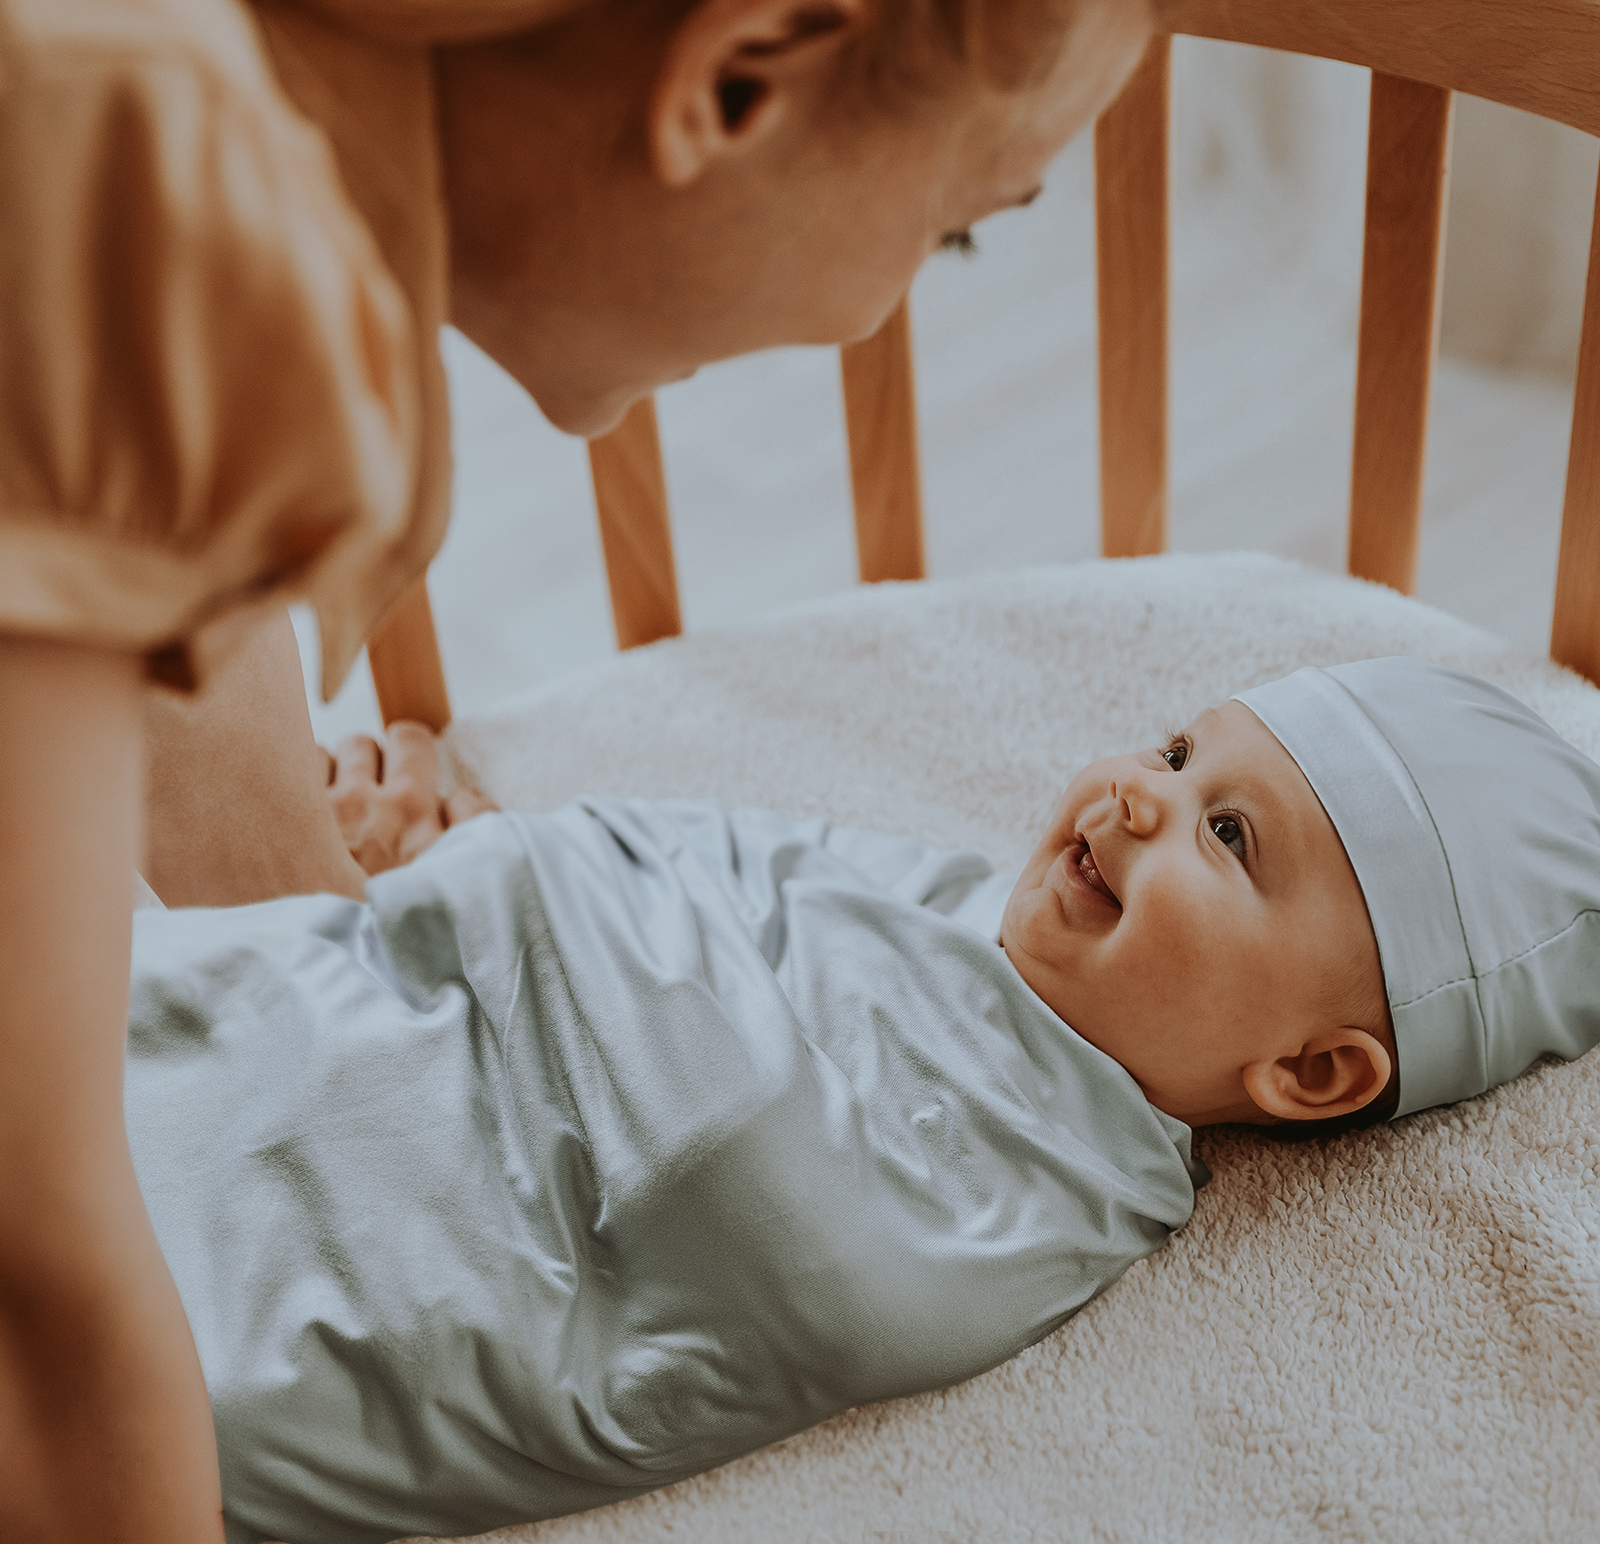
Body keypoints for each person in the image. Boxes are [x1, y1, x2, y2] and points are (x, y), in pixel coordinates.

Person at [0, 0, 1185, 1536]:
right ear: (738, 74)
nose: (888, 305)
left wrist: (332, 960)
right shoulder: (116, 163)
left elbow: (151, 607)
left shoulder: (182, 92)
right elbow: (44, 1295)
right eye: (956, 227)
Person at [124, 656, 1600, 1543]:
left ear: (1312, 1073)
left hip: (211, 1331)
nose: (1138, 795)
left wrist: (524, 882)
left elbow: (749, 1194)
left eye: (1226, 835)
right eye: (1172, 748)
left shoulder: (1057, 1201)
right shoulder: (945, 899)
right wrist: (477, 863)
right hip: (294, 1047)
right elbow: (671, 862)